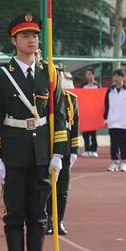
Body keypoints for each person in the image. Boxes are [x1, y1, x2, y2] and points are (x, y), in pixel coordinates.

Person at [0, 12, 68, 251]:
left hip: (41, 152)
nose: (32, 40)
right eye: (25, 35)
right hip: (13, 150)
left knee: (39, 214)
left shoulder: (50, 72)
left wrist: (59, 152)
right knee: (14, 215)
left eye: (35, 35)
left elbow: (58, 114)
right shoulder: (1, 76)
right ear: (14, 40)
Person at [46, 69, 79, 236]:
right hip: (45, 148)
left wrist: (74, 150)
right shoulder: (44, 98)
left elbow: (74, 127)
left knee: (62, 189)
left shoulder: (70, 99)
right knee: (46, 188)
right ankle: (46, 220)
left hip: (64, 149)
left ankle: (58, 221)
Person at [104, 69, 126, 172]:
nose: (116, 78)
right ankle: (114, 162)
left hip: (124, 121)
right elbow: (107, 105)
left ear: (123, 78)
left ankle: (123, 162)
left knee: (124, 143)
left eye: (118, 76)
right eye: (115, 76)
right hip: (112, 120)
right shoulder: (110, 90)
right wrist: (105, 117)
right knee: (114, 143)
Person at [81, 68, 100, 157]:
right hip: (85, 112)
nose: (87, 76)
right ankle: (87, 149)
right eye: (86, 74)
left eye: (89, 74)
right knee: (85, 133)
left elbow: (100, 98)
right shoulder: (83, 86)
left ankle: (94, 149)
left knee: (93, 132)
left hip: (94, 113)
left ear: (93, 75)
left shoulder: (97, 86)